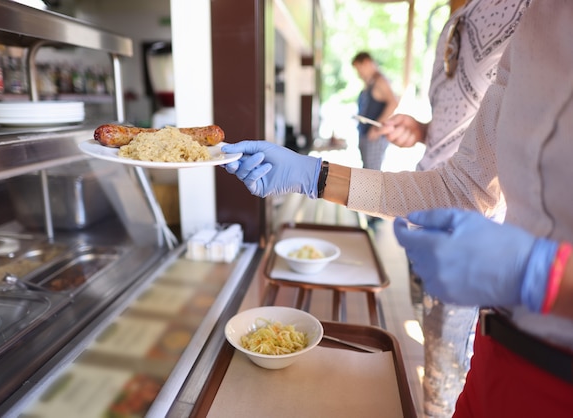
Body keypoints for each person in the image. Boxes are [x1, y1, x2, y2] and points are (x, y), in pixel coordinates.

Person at [221, 1, 573, 415]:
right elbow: (463, 186)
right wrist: (312, 175)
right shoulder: (532, 21)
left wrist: (542, 274)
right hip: (500, 352)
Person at [380, 1, 529, 415]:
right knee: (435, 353)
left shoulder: (527, 10)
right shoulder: (450, 21)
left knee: (449, 376)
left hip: (473, 226)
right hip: (425, 210)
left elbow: (480, 172)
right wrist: (425, 130)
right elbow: (464, 130)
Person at [351, 52, 397, 170]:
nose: (358, 74)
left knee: (372, 174)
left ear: (366, 63)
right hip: (365, 136)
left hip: (374, 138)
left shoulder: (380, 81)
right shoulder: (370, 83)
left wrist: (377, 128)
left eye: (359, 69)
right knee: (367, 171)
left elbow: (393, 102)